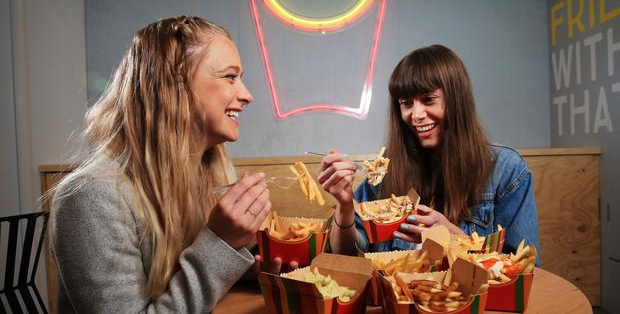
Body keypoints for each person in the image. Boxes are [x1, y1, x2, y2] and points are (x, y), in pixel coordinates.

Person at [50, 16, 273, 312]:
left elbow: (186, 279)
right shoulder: (90, 197)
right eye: (230, 77)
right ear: (175, 84)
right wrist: (221, 244)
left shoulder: (208, 172)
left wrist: (260, 267)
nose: (247, 95)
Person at [317, 44, 540, 265]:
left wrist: (453, 238)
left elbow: (523, 268)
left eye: (428, 99)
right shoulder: (385, 172)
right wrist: (345, 206)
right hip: (398, 299)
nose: (416, 115)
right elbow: (345, 255)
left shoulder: (506, 170)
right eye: (406, 103)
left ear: (455, 100)